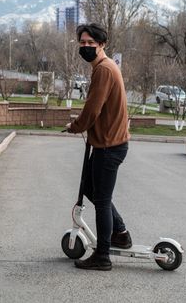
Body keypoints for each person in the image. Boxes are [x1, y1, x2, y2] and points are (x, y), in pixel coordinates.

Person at [65, 23, 131, 271]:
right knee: (92, 190)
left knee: (101, 199)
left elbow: (92, 110)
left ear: (102, 45)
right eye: (82, 43)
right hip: (109, 143)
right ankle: (120, 234)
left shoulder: (103, 69)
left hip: (109, 146)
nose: (85, 47)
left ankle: (102, 256)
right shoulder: (104, 67)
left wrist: (76, 126)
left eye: (91, 44)